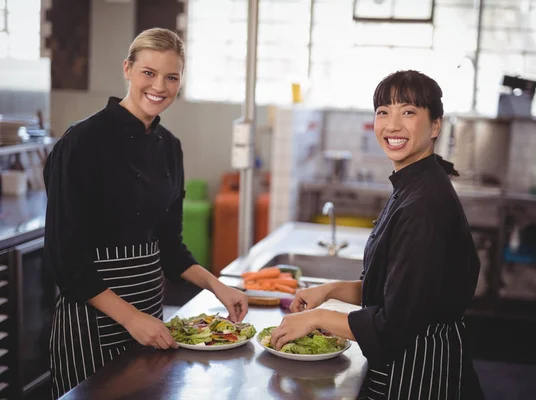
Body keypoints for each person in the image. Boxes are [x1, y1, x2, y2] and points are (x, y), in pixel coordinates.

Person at [44, 28, 248, 399]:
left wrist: (217, 285)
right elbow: (64, 260)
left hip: (150, 319)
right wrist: (131, 318)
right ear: (127, 69)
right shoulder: (81, 142)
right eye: (148, 73)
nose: (160, 86)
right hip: (91, 322)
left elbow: (170, 246)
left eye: (171, 77)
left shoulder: (170, 147)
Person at [269, 70, 485, 399]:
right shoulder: (414, 185)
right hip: (410, 362)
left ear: (436, 125)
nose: (392, 125)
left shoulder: (423, 205)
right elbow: (398, 289)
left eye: (408, 112)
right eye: (384, 112)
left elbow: (392, 326)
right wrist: (331, 290)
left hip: (419, 373)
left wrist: (316, 319)